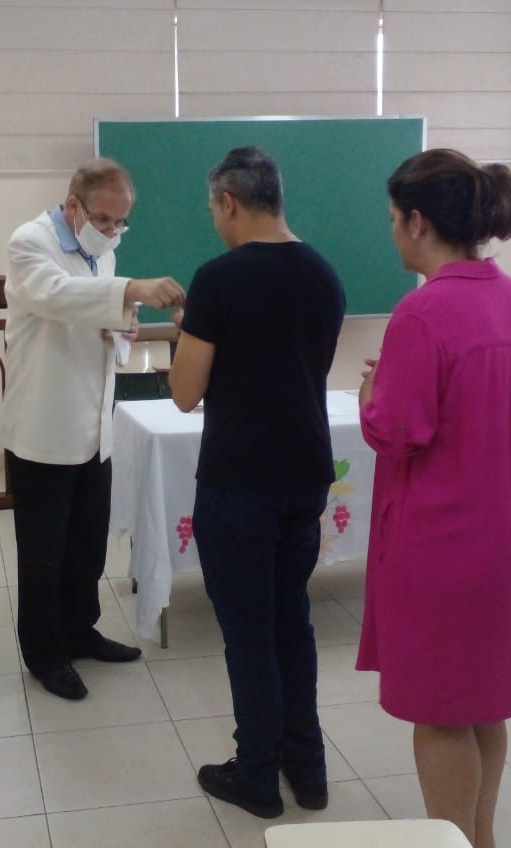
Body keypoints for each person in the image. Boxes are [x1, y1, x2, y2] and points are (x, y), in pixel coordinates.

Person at [355, 149, 511, 848]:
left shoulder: (424, 310)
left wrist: (371, 392)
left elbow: (397, 431)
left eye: (392, 220)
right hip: (509, 542)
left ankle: (453, 841)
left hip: (445, 548)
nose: (392, 233)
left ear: (418, 221)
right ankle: (479, 838)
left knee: (439, 715)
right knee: (483, 705)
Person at [169, 147, 346, 819]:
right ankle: (309, 769)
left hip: (240, 476)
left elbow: (186, 392)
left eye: (213, 209)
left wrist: (188, 337)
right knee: (291, 620)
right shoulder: (324, 273)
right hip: (305, 471)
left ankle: (256, 775)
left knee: (248, 633)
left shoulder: (219, 279)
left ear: (229, 203)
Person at [3, 157, 186, 701]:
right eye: (103, 219)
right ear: (73, 204)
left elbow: (109, 322)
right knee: (44, 552)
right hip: (43, 424)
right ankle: (45, 653)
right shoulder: (29, 242)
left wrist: (123, 326)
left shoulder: (104, 252)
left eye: (120, 222)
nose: (111, 231)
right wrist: (130, 293)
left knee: (86, 544)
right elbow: (55, 296)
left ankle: (80, 632)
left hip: (94, 424)